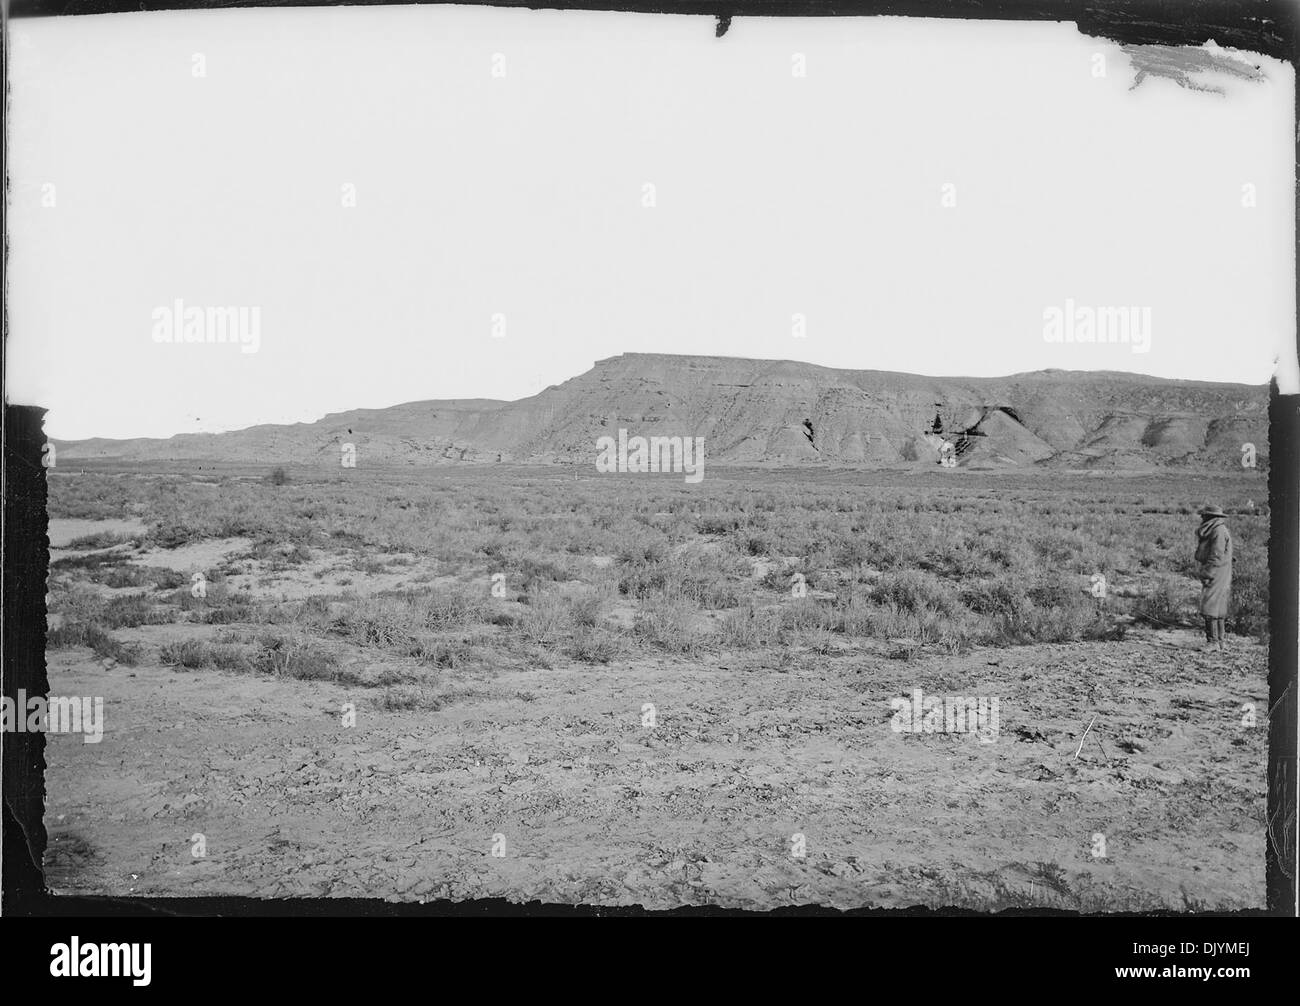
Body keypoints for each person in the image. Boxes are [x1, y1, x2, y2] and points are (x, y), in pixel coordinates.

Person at [1193, 505, 1232, 650]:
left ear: (1209, 517)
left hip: (1216, 573)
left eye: (1204, 516)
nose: (1202, 518)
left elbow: (1216, 556)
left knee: (1210, 606)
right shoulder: (1218, 530)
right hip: (1220, 572)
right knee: (1218, 606)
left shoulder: (1218, 531)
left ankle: (1213, 642)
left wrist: (1207, 574)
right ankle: (1220, 641)